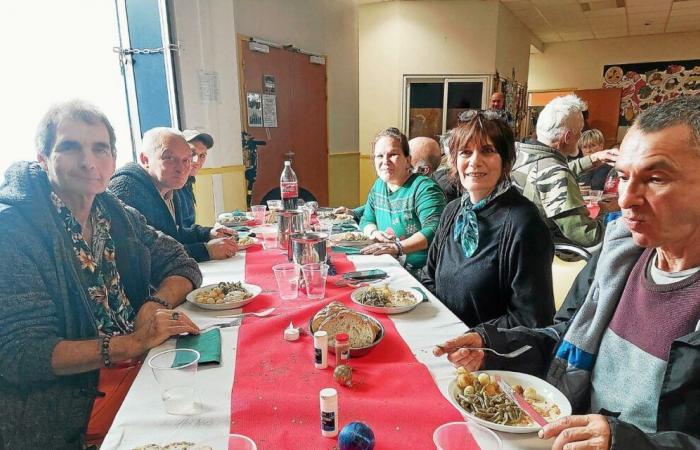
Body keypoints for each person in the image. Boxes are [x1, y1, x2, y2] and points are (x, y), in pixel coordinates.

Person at [435, 96, 700, 448]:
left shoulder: (521, 221)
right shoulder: (619, 255)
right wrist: (491, 345)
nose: (625, 199)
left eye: (655, 178)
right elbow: (563, 336)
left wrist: (623, 442)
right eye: (622, 176)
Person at [0, 101, 202, 449]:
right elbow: (23, 354)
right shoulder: (14, 230)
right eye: (69, 146)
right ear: (43, 158)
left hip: (140, 365)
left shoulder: (115, 213)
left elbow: (182, 263)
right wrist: (132, 343)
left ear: (112, 158)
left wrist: (154, 304)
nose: (88, 161)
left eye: (99, 148)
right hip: (69, 403)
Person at [419, 111, 554, 328]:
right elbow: (430, 276)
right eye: (465, 152)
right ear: (454, 160)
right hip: (443, 337)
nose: (474, 162)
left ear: (507, 161)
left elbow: (532, 318)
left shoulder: (524, 223)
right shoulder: (452, 211)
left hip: (489, 354)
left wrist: (476, 338)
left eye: (487, 150)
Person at [109, 128, 237, 262]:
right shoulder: (127, 190)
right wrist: (205, 250)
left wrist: (208, 234)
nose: (181, 168)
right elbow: (140, 256)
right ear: (145, 159)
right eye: (169, 158)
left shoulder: (169, 186)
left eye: (186, 160)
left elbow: (174, 235)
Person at [511, 94, 608, 247]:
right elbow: (587, 236)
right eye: (580, 131)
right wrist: (610, 215)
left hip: (520, 243)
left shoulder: (519, 154)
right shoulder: (556, 174)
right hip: (548, 253)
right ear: (568, 137)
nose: (581, 136)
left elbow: (546, 173)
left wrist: (592, 159)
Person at [359, 127, 446, 274]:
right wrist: (374, 233)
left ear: (408, 160)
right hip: (387, 266)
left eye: (393, 154)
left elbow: (435, 229)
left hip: (420, 274)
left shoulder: (424, 188)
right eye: (379, 156)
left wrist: (397, 247)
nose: (385, 161)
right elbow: (366, 220)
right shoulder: (379, 185)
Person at [176, 129, 214, 228]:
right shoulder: (173, 184)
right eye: (192, 154)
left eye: (202, 155)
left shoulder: (188, 181)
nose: (197, 161)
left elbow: (188, 227)